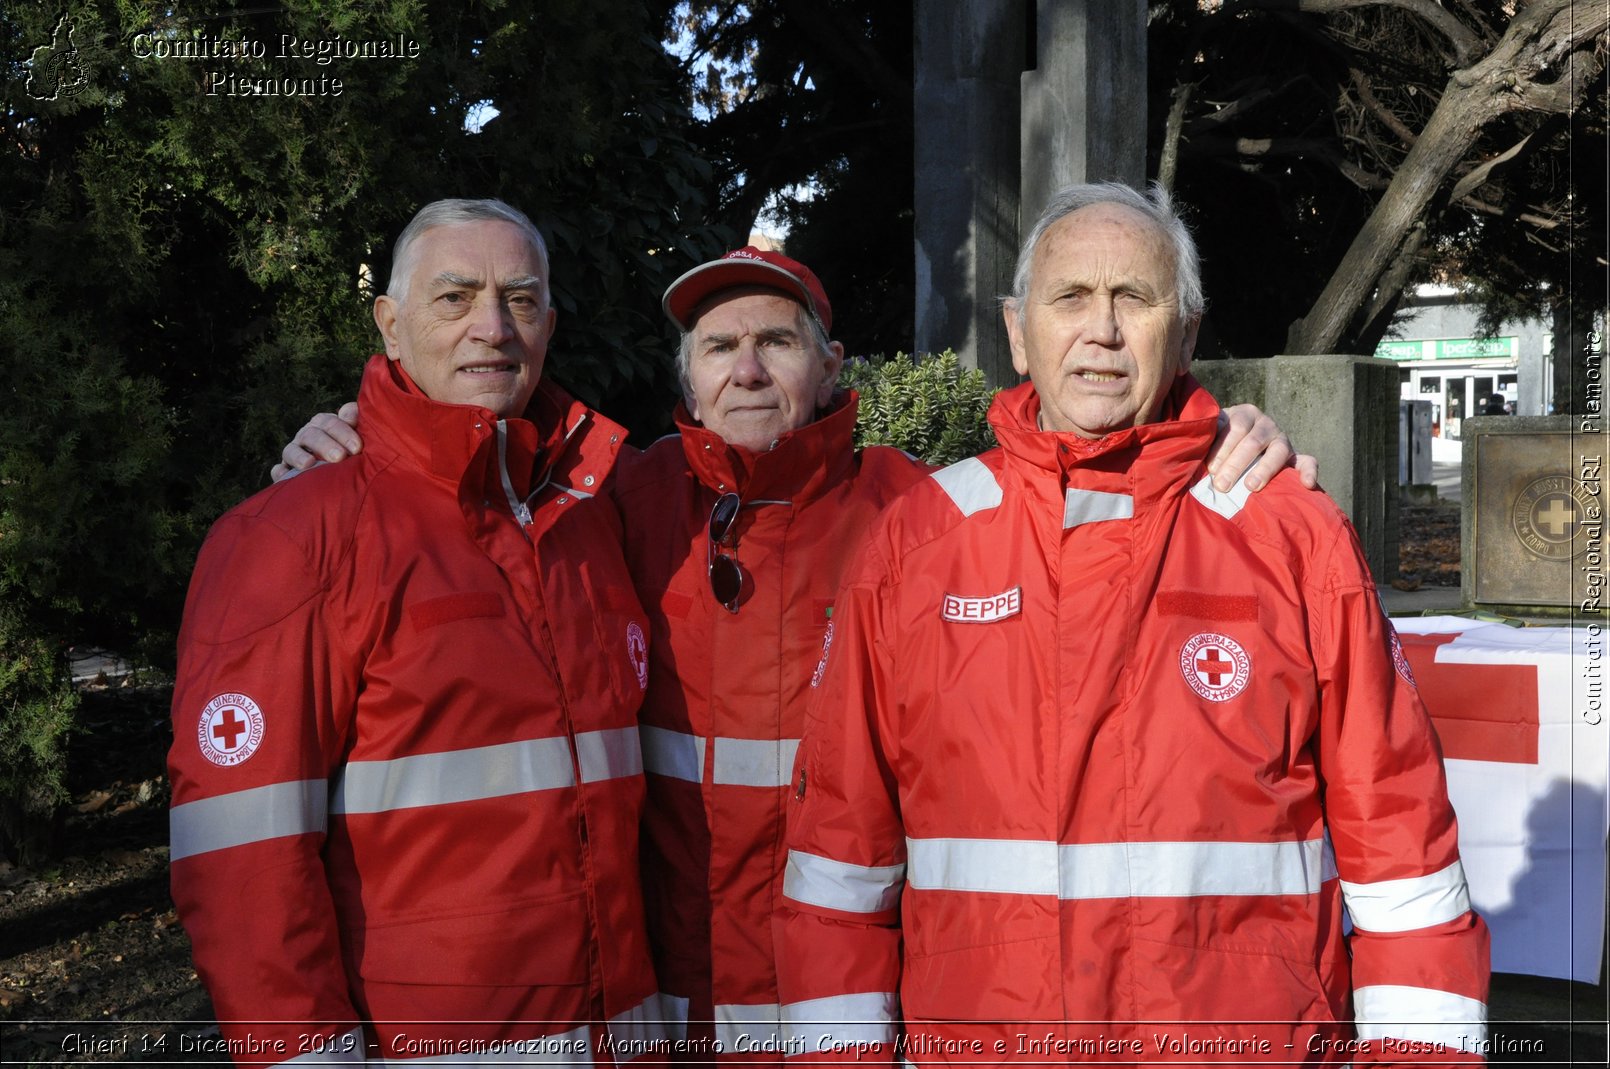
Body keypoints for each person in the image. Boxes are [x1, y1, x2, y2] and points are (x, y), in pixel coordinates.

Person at [273, 246, 1316, 1063]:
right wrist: (365, 448)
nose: (748, 367)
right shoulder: (613, 506)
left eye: (776, 339)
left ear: (829, 366)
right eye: (718, 346)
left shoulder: (922, 512)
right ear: (682, 375)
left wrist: (1218, 451)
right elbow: (474, 516)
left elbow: (1081, 515)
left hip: (854, 1007)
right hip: (667, 1014)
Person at [777, 183, 1490, 1064]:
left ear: (1186, 332)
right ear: (1016, 330)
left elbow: (1403, 854)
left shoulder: (1292, 535)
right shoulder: (917, 544)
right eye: (1069, 296)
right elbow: (838, 868)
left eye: (1134, 299)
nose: (1101, 331)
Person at [168, 199, 670, 1065]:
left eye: (519, 299)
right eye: (454, 297)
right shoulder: (294, 535)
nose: (492, 327)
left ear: (549, 324)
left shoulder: (596, 514)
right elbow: (241, 860)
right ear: (390, 327)